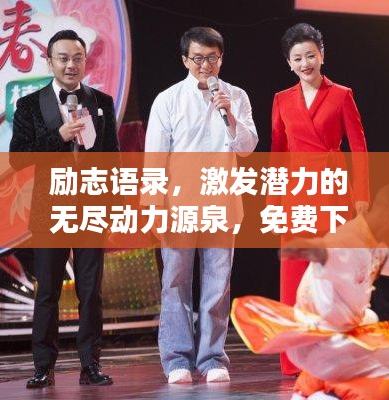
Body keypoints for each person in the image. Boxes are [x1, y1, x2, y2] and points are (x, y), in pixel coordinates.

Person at [143, 26, 258, 383]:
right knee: (175, 282)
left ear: (221, 58)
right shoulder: (168, 100)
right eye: (198, 58)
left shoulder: (236, 96)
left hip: (222, 201)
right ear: (185, 60)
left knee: (217, 284)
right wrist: (153, 207)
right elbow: (154, 158)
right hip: (178, 204)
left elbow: (247, 147)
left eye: (212, 58)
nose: (205, 65)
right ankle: (176, 359)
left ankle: (212, 359)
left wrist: (230, 115)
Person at [9, 30, 119, 388]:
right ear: (50, 62)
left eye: (77, 58)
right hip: (50, 207)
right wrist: (60, 136)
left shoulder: (101, 101)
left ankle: (91, 364)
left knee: (91, 291)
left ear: (85, 61)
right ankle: (43, 366)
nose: (71, 64)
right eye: (63, 58)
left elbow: (113, 158)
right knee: (48, 292)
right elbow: (18, 158)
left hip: (91, 206)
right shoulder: (30, 105)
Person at [231, 183, 389, 400]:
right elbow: (326, 248)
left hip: (345, 337)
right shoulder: (347, 239)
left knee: (388, 351)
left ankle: (314, 392)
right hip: (322, 344)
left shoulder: (376, 244)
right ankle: (323, 394)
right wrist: (309, 248)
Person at [270, 23, 369, 374]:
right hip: (296, 193)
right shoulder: (281, 99)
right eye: (297, 58)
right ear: (289, 63)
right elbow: (278, 153)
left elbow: (359, 149)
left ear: (322, 55)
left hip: (333, 191)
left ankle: (336, 355)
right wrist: (273, 202)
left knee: (334, 276)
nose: (305, 63)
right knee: (294, 275)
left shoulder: (342, 95)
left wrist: (361, 197)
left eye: (310, 55)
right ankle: (295, 359)